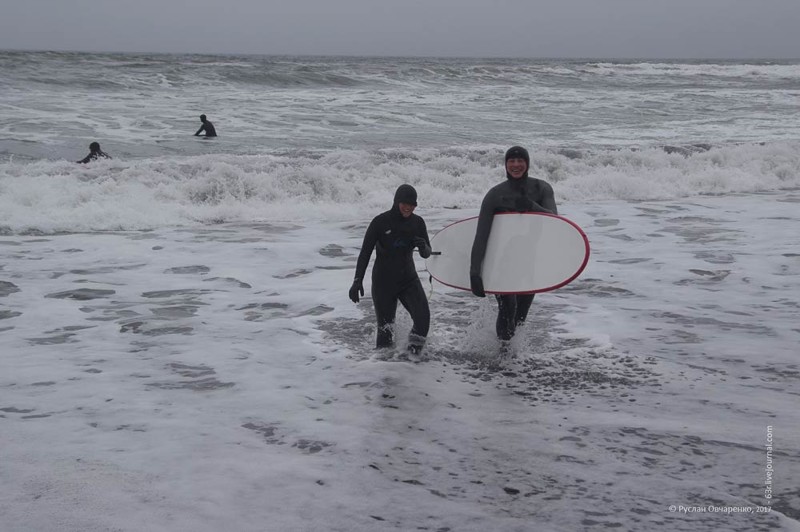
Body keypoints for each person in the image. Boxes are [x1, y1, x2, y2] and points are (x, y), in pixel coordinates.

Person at [470, 146, 557, 344]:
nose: (516, 165)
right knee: (507, 308)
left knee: (520, 317)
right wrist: (475, 272)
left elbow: (556, 223)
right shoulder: (495, 195)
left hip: (529, 260)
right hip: (502, 260)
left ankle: (510, 358)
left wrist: (532, 207)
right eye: (511, 161)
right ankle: (503, 356)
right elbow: (481, 235)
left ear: (527, 163)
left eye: (520, 161)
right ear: (506, 164)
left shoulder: (542, 189)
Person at [349, 184, 432, 355]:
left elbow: (427, 253)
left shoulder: (417, 223)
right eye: (405, 203)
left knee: (423, 321)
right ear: (396, 202)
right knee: (385, 333)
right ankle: (385, 373)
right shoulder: (380, 222)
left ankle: (411, 358)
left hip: (408, 280)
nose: (408, 207)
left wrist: (424, 247)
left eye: (412, 205)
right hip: (383, 283)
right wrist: (357, 281)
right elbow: (365, 253)